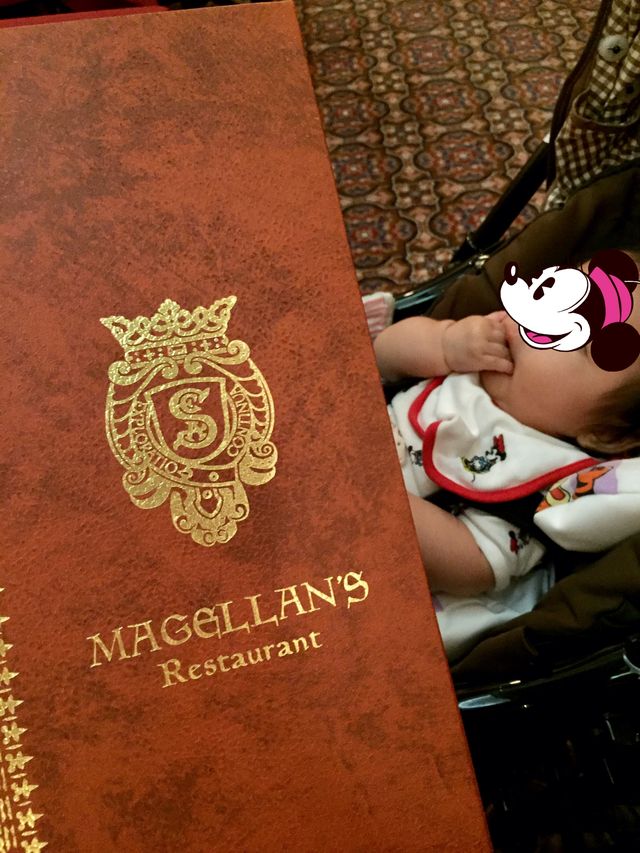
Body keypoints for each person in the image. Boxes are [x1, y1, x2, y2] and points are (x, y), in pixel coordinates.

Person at [374, 256, 640, 599]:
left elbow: (473, 566)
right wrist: (444, 342)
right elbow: (382, 355)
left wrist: (371, 497)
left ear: (606, 434)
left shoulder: (551, 483)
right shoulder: (475, 350)